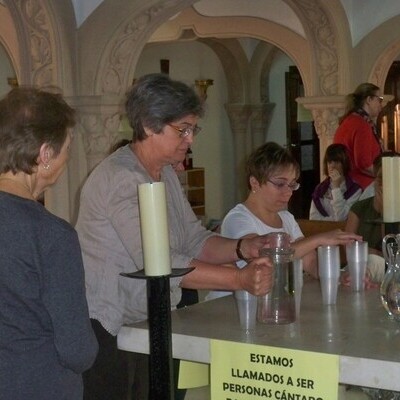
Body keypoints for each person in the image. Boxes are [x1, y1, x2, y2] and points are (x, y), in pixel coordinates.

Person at [75, 73, 274, 400]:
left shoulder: (164, 172)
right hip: (109, 327)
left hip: (154, 318)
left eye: (193, 129)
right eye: (182, 129)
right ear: (151, 126)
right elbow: (161, 262)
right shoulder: (120, 177)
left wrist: (242, 247)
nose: (190, 139)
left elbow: (194, 240)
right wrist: (238, 279)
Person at [0, 87, 98, 400]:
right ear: (45, 154)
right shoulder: (51, 235)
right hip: (36, 385)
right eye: (67, 147)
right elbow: (77, 350)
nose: (67, 157)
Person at [207, 142, 362, 300]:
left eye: (292, 184)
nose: (288, 192)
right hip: (231, 306)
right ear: (254, 182)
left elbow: (311, 262)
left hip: (270, 303)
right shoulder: (238, 218)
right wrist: (319, 239)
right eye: (280, 184)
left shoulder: (286, 218)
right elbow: (265, 260)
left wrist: (341, 277)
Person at [333, 82, 383, 190]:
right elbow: (364, 165)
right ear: (369, 100)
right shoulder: (361, 124)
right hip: (360, 189)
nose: (381, 104)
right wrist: (387, 175)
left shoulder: (349, 120)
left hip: (347, 185)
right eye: (379, 99)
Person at [309, 143, 361, 221]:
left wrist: (336, 187)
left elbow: (341, 218)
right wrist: (332, 220)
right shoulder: (320, 189)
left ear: (344, 163)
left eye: (336, 162)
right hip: (323, 231)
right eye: (329, 162)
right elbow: (313, 219)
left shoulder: (355, 190)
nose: (332, 166)